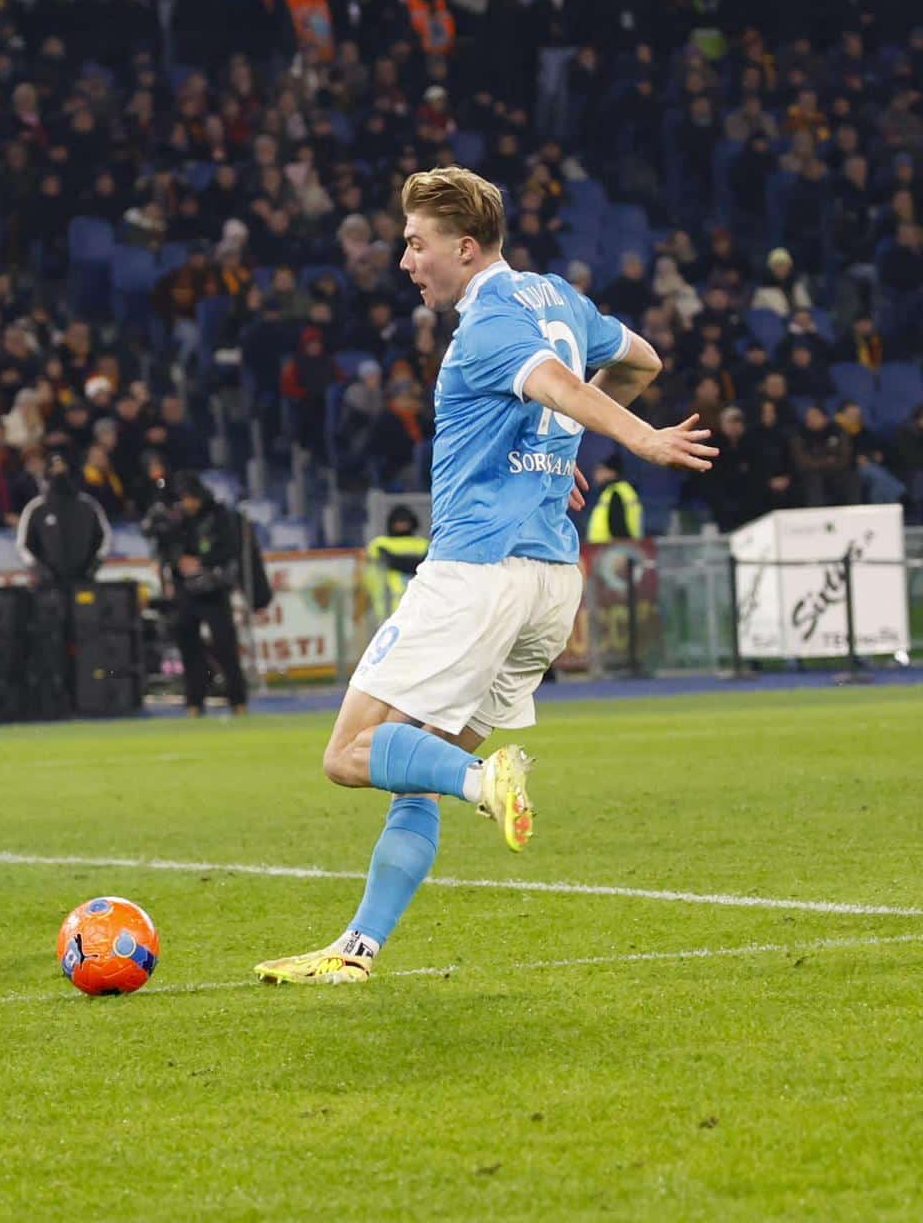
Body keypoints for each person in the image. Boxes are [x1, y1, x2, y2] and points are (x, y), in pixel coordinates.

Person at [256, 166, 715, 987]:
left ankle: (484, 779)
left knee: (351, 751)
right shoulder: (556, 297)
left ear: (464, 248)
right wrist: (565, 448)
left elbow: (556, 385)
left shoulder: (489, 327)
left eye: (416, 244)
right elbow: (639, 357)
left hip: (478, 571)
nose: (405, 260)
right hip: (547, 579)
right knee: (411, 773)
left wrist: (638, 442)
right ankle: (357, 951)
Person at [164, 472, 251, 717]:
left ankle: (238, 699)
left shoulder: (221, 517)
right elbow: (167, 547)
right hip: (186, 591)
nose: (187, 503)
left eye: (190, 498)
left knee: (225, 646)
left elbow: (230, 549)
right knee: (188, 646)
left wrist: (201, 561)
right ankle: (194, 702)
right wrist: (178, 560)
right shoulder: (177, 519)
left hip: (214, 589)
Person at [17, 452, 111, 586]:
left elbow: (104, 538)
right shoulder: (36, 508)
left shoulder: (88, 505)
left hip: (83, 581)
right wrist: (40, 570)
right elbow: (23, 545)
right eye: (54, 469)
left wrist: (93, 566)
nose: (59, 474)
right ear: (47, 473)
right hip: (48, 586)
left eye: (63, 469)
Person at [363, 505, 428, 625]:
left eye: (404, 521)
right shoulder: (379, 544)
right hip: (388, 611)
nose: (402, 524)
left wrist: (394, 560)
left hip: (419, 611)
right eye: (398, 521)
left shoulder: (423, 544)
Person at [584, 453, 644, 542]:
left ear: (611, 472)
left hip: (611, 552)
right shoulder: (624, 490)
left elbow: (618, 527)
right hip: (615, 550)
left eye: (600, 469)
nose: (596, 474)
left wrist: (621, 551)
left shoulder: (615, 492)